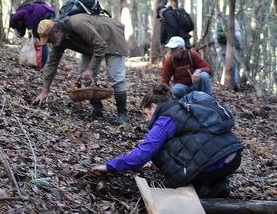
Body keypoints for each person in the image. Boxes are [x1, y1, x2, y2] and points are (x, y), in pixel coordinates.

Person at [91, 84, 243, 198]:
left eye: (146, 114)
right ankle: (216, 183)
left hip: (215, 164)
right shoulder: (185, 108)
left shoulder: (166, 119)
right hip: (234, 156)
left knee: (159, 150)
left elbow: (142, 155)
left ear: (153, 106)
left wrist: (110, 166)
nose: (147, 119)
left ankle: (202, 186)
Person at [33, 8, 128, 123]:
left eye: (49, 39)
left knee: (115, 78)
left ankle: (122, 113)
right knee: (85, 78)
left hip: (112, 37)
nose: (49, 42)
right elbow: (51, 64)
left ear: (56, 32)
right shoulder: (59, 40)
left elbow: (101, 45)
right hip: (91, 45)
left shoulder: (77, 24)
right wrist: (45, 89)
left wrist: (91, 69)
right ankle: (97, 108)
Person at [10, 0, 56, 67]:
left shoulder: (15, 16)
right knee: (43, 40)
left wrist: (30, 27)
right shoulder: (25, 7)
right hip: (51, 12)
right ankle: (43, 63)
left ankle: (40, 64)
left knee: (40, 40)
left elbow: (24, 13)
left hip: (41, 15)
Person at [214, 17, 242, 89]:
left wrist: (219, 45)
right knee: (235, 65)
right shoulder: (234, 20)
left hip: (223, 46)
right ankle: (235, 83)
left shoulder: (220, 21)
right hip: (233, 45)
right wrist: (239, 43)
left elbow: (215, 36)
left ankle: (225, 83)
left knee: (226, 64)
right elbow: (238, 35)